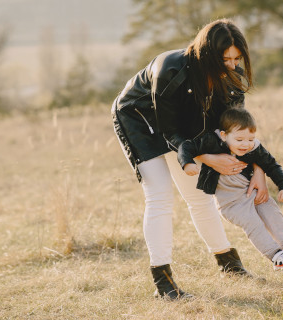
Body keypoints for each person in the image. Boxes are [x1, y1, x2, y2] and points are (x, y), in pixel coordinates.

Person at [112, 19, 266, 300]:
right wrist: (205, 157)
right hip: (139, 118)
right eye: (225, 59)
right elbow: (169, 129)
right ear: (208, 56)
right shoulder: (169, 69)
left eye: (237, 58)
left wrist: (257, 168)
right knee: (159, 196)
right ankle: (163, 282)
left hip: (182, 128)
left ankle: (228, 264)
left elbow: (234, 132)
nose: (233, 66)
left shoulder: (232, 79)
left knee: (199, 195)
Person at [178, 107, 283, 271]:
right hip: (232, 203)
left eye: (250, 139)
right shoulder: (210, 142)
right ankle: (276, 257)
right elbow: (185, 146)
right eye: (240, 139)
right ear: (223, 135)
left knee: (273, 214)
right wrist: (187, 163)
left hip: (254, 194)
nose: (245, 144)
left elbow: (272, 165)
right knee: (254, 223)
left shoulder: (254, 148)